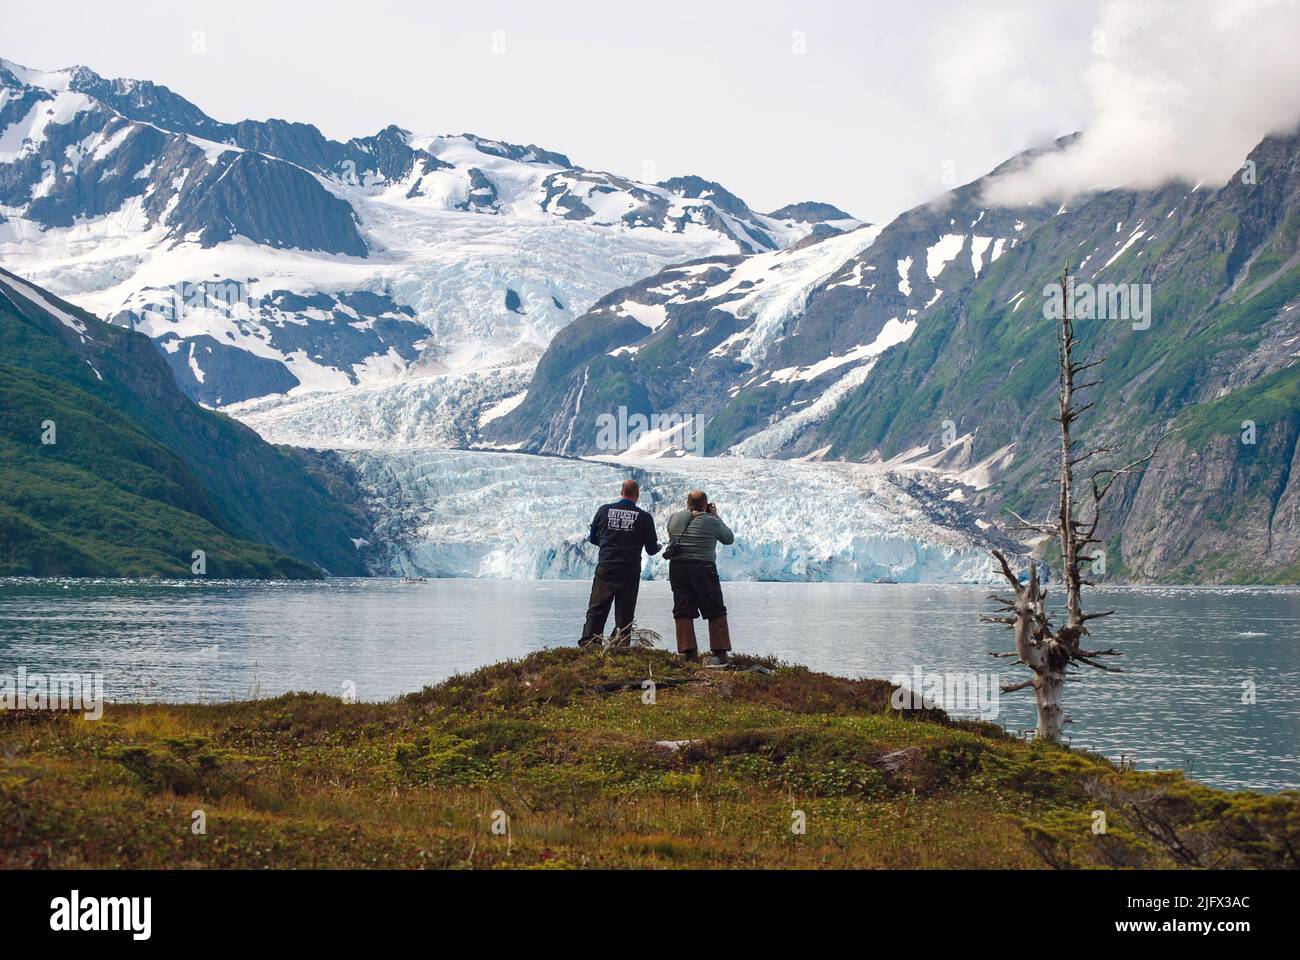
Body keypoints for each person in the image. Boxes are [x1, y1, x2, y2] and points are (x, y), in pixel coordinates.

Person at [580, 479, 661, 645]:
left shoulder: (604, 511)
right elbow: (651, 549)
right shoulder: (644, 518)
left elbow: (593, 538)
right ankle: (620, 647)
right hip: (629, 572)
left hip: (606, 568)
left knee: (597, 609)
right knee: (625, 614)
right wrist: (659, 546)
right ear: (637, 495)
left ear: (621, 492)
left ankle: (589, 645)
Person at [665, 490, 735, 663]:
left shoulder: (674, 518)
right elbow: (728, 538)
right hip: (703, 568)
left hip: (678, 568)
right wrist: (716, 516)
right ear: (705, 504)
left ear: (688, 503)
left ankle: (689, 653)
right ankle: (719, 653)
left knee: (682, 608)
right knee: (715, 608)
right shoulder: (711, 521)